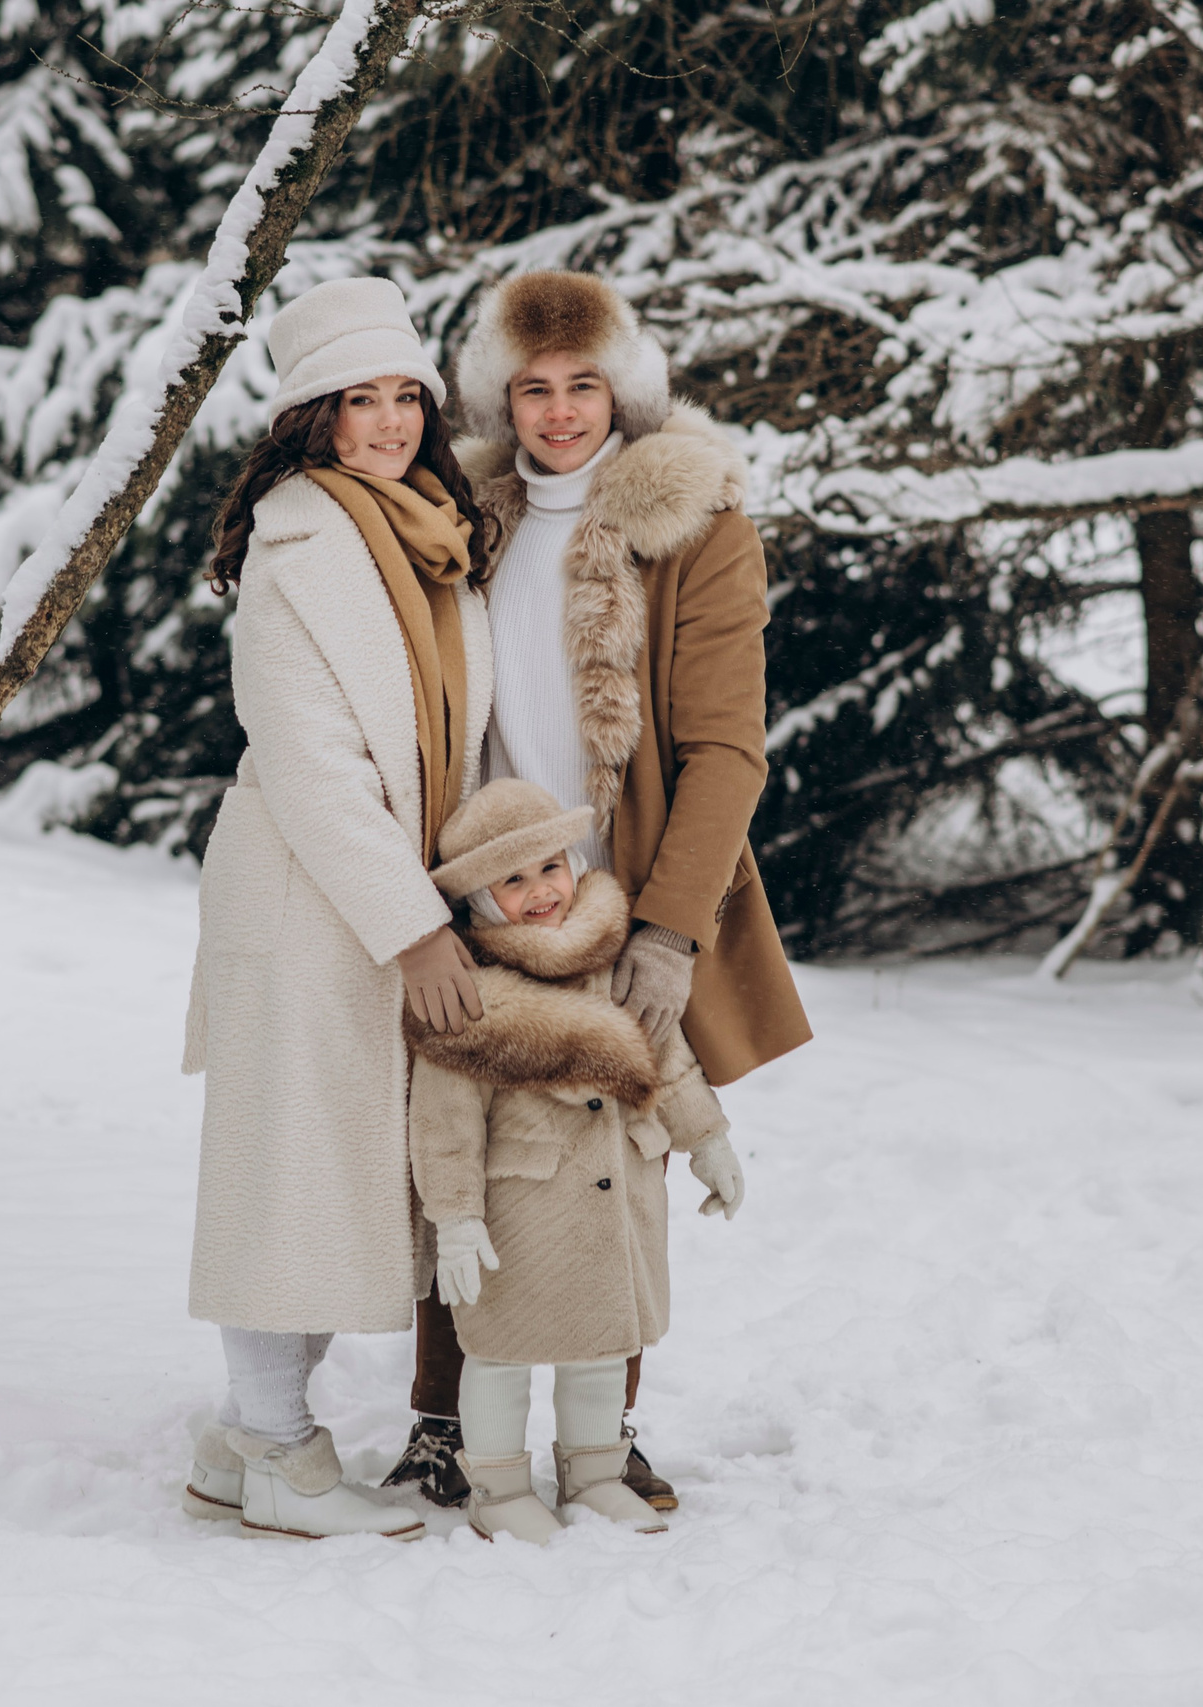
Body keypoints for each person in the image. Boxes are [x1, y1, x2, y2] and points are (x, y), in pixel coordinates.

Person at [384, 270, 813, 1512]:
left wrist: (671, 927)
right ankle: (443, 1424)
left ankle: (600, 1431)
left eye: (582, 385)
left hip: (619, 891)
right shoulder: (468, 518)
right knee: (461, 1145)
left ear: (623, 388)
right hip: (479, 883)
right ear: (498, 396)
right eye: (532, 387)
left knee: (607, 1153)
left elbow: (727, 748)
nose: (560, 412)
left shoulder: (694, 524)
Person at [177, 276, 495, 1541]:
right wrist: (413, 929)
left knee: (327, 1175)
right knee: (287, 1175)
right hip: (312, 897)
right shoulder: (297, 546)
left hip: (378, 892)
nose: (390, 421)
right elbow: (310, 762)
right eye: (359, 399)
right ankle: (277, 1451)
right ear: (313, 417)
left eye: (405, 394)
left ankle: (239, 1444)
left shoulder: (431, 535)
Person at [406, 780, 738, 1543]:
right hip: (522, 1217)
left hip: (614, 1207)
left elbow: (668, 1061)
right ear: (480, 897)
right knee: (501, 1353)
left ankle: (593, 1474)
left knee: (599, 1351)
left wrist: (708, 1139)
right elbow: (445, 1124)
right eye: (513, 879)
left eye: (550, 867)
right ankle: (497, 1487)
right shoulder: (469, 995)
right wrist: (454, 1219)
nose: (540, 892)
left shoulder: (611, 957)